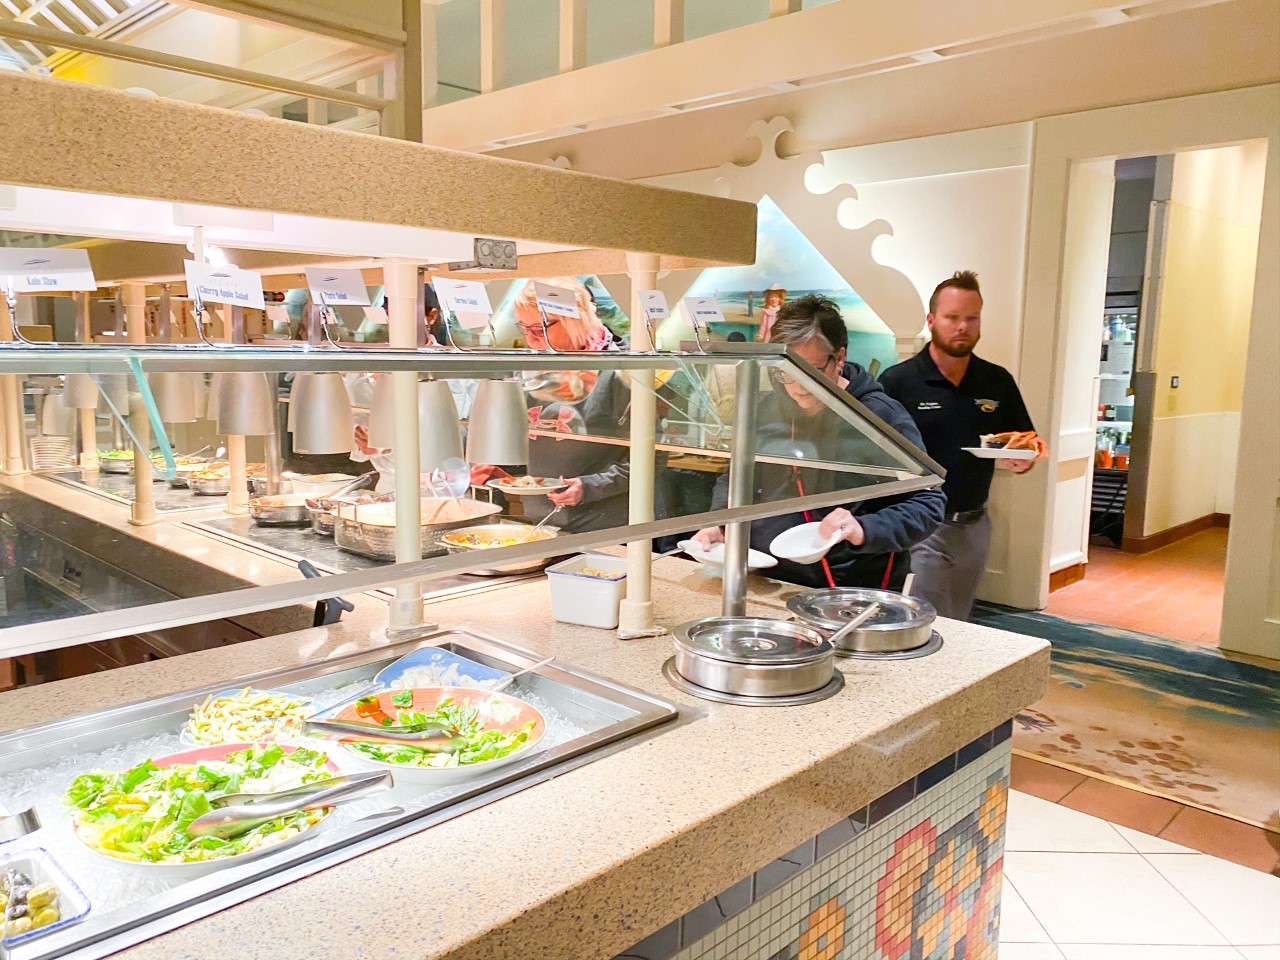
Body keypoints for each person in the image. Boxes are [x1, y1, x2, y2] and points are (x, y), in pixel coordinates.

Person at [692, 294, 944, 590]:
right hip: (766, 579)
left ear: (839, 358)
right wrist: (719, 522)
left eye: (811, 371)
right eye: (787, 371)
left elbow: (927, 504)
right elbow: (734, 477)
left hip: (850, 590)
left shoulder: (879, 416)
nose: (798, 386)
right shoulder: (763, 409)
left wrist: (864, 528)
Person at [879, 270, 1047, 620]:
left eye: (972, 318)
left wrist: (1023, 459)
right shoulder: (899, 381)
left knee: (961, 619)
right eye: (952, 317)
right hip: (921, 524)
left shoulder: (996, 380)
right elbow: (874, 452)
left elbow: (1024, 441)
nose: (962, 327)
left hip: (975, 524)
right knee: (924, 621)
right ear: (931, 320)